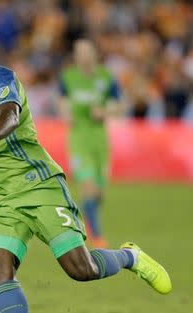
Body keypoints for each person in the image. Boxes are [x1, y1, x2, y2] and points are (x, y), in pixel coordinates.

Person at [0, 35, 171, 313]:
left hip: (39, 187)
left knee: (82, 269)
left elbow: (10, 115)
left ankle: (131, 256)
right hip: (5, 202)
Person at [57, 39, 122, 248]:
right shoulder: (68, 78)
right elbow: (62, 102)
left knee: (100, 193)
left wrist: (105, 112)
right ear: (75, 57)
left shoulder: (106, 77)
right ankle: (97, 237)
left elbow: (119, 104)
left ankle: (88, 219)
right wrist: (66, 113)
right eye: (79, 52)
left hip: (100, 139)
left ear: (94, 54)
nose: (83, 56)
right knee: (88, 188)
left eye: (86, 52)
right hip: (79, 139)